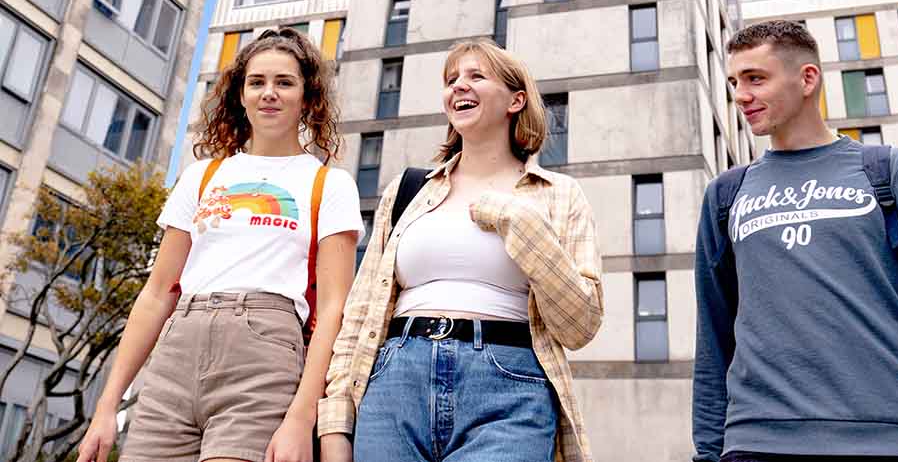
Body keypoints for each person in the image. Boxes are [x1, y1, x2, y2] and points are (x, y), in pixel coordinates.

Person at [692, 20, 898, 462]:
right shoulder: (726, 195)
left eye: (755, 78)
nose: (740, 94)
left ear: (807, 79)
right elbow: (713, 342)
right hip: (756, 444)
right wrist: (708, 453)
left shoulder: (891, 174)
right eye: (734, 81)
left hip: (890, 440)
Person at [77, 28, 364, 462]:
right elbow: (156, 295)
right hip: (175, 354)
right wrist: (106, 406)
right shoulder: (202, 176)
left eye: (284, 82)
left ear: (308, 97)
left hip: (263, 354)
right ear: (241, 95)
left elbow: (332, 311)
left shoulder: (329, 184)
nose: (270, 93)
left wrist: (301, 418)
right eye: (257, 82)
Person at [318, 39, 602, 462]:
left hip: (509, 385)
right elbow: (359, 314)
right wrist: (335, 423)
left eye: (476, 76)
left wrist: (523, 227)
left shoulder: (559, 195)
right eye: (452, 80)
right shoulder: (408, 190)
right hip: (394, 380)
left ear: (516, 100)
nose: (458, 87)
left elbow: (580, 325)